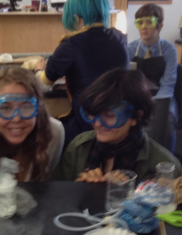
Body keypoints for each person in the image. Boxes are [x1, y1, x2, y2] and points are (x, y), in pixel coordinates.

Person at [54, 69, 182, 182]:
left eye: (109, 115)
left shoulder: (165, 167)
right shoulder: (78, 148)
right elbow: (58, 198)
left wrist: (130, 196)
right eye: (93, 113)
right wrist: (80, 188)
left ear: (137, 116)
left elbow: (168, 208)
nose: (97, 123)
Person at [38, 0, 129, 147]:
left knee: (51, 133)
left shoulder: (71, 44)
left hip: (88, 121)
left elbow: (44, 81)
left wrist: (37, 68)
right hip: (119, 120)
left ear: (76, 18)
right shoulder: (120, 38)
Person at [127, 3, 178, 149]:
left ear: (160, 26)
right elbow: (126, 81)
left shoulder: (169, 50)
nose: (143, 26)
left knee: (166, 123)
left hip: (163, 97)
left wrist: (154, 105)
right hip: (137, 96)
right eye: (140, 22)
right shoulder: (130, 49)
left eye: (149, 22)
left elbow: (168, 84)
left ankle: (167, 163)